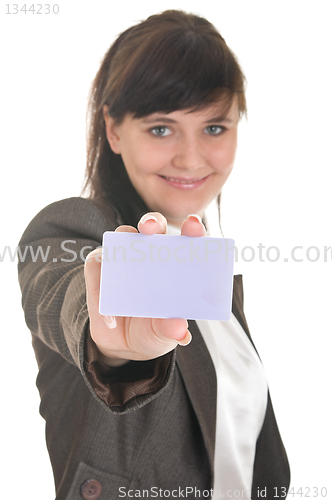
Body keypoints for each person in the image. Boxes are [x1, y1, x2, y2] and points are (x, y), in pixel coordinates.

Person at [18, 9, 290, 500]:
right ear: (114, 129)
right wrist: (114, 342)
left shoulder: (211, 275)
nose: (191, 158)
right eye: (162, 129)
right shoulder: (76, 231)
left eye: (214, 128)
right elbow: (66, 295)